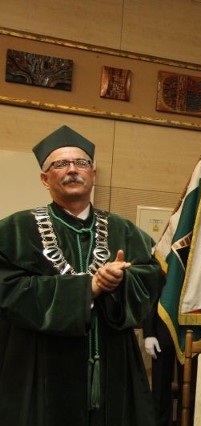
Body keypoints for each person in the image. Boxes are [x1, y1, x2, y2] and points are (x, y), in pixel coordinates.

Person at [0, 125, 163, 426]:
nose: (72, 170)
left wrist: (120, 283)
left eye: (81, 163)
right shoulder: (14, 231)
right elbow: (8, 290)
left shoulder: (124, 231)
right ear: (44, 178)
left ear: (93, 174)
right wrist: (88, 287)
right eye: (60, 164)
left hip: (112, 363)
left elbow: (150, 279)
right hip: (39, 365)